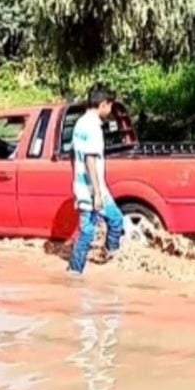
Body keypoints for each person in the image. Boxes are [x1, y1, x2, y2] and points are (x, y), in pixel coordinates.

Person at [68, 85, 125, 275]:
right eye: (110, 106)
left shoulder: (80, 123)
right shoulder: (93, 127)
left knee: (113, 220)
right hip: (93, 189)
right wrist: (97, 193)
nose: (110, 111)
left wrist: (77, 177)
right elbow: (90, 159)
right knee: (89, 231)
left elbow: (73, 153)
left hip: (85, 186)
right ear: (103, 105)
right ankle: (76, 271)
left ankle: (108, 257)